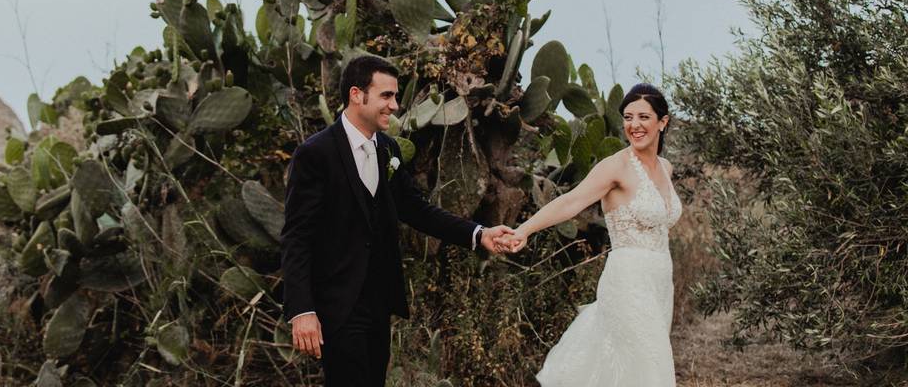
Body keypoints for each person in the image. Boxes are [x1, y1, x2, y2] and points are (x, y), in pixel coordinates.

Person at [280, 55, 514, 387]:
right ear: (356, 95)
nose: (395, 105)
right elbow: (296, 236)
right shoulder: (316, 153)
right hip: (337, 303)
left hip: (378, 302)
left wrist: (479, 233)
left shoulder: (387, 149)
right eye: (386, 96)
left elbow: (418, 210)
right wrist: (302, 310)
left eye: (395, 96)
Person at [499, 83, 683, 386]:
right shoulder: (615, 167)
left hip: (661, 281)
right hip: (628, 282)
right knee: (653, 373)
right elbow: (571, 201)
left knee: (629, 372)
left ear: (662, 122)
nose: (634, 125)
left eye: (643, 117)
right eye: (627, 117)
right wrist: (524, 230)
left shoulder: (666, 167)